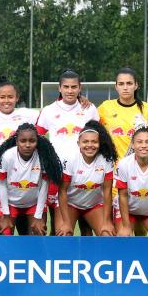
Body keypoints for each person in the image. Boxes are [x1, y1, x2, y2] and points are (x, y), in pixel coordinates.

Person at [35, 70, 99, 234]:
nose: (70, 91)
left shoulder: (90, 109)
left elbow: (98, 137)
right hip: (57, 173)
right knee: (58, 227)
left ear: (80, 88)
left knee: (86, 227)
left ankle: (85, 258)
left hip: (84, 172)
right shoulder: (49, 110)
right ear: (59, 88)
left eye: (73, 87)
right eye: (66, 87)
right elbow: (37, 137)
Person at [0, 123, 62, 235]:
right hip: (10, 203)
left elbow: (44, 187)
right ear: (17, 142)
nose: (27, 145)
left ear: (37, 141)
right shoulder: (7, 156)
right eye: (23, 141)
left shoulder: (43, 157)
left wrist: (38, 216)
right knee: (5, 235)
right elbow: (2, 185)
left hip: (33, 203)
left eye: (32, 141)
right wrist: (6, 214)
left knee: (38, 233)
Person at [56, 121, 117, 236]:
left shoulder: (106, 160)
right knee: (64, 235)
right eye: (85, 142)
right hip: (70, 204)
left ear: (99, 143)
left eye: (94, 142)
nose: (90, 145)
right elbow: (62, 191)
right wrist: (66, 222)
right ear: (78, 143)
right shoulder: (69, 160)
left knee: (107, 235)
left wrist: (107, 221)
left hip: (94, 205)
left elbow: (107, 191)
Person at [98, 67, 148, 159]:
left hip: (137, 168)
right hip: (111, 168)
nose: (125, 87)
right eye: (121, 84)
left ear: (136, 85)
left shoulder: (146, 109)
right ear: (116, 87)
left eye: (129, 83)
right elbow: (92, 129)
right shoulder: (105, 107)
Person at [0, 79, 39, 162]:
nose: (6, 101)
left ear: (17, 98)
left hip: (20, 168)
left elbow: (48, 115)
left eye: (10, 97)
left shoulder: (27, 114)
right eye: (2, 97)